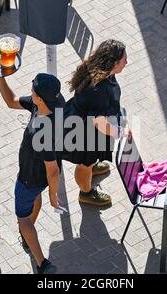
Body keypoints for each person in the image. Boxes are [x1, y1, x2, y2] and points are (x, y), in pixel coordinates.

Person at [0, 73, 65, 274]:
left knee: (23, 219)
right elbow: (11, 101)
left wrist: (54, 195)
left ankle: (42, 263)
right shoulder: (54, 104)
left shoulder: (41, 132)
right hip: (39, 179)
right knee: (36, 199)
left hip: (29, 179)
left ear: (40, 98)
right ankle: (28, 235)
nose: (30, 93)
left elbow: (52, 170)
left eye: (33, 91)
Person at [61, 39, 131, 206]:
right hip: (85, 134)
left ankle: (92, 167)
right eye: (124, 60)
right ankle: (86, 193)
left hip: (84, 122)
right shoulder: (98, 90)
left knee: (90, 162)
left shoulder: (98, 70)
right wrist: (122, 133)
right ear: (113, 63)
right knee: (85, 163)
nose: (127, 62)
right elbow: (99, 123)